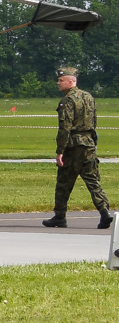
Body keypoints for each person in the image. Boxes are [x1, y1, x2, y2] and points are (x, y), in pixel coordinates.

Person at [44, 68, 111, 229]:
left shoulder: (67, 100)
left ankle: (60, 215)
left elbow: (65, 127)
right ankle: (104, 212)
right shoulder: (88, 96)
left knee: (64, 181)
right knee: (92, 180)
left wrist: (60, 151)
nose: (58, 83)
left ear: (71, 82)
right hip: (88, 143)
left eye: (61, 80)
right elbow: (94, 121)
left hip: (73, 145)